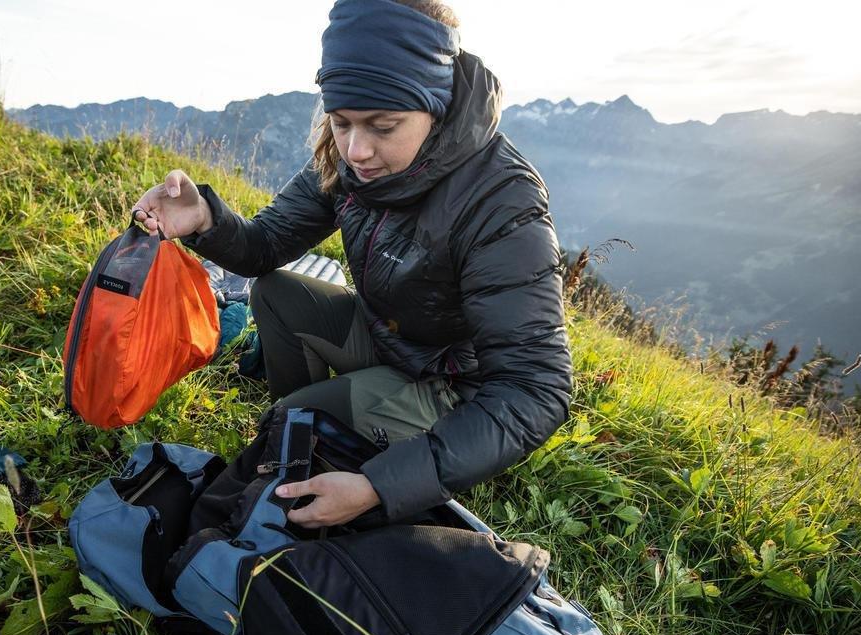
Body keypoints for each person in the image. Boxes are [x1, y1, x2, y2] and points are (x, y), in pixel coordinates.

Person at [132, 0, 573, 532]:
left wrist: (380, 485)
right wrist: (204, 217)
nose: (357, 150)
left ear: (435, 107)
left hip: (453, 387)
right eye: (341, 123)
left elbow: (535, 389)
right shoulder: (346, 161)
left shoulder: (502, 202)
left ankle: (311, 436)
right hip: (387, 337)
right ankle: (302, 435)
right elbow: (265, 245)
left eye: (383, 126)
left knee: (297, 417)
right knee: (274, 293)